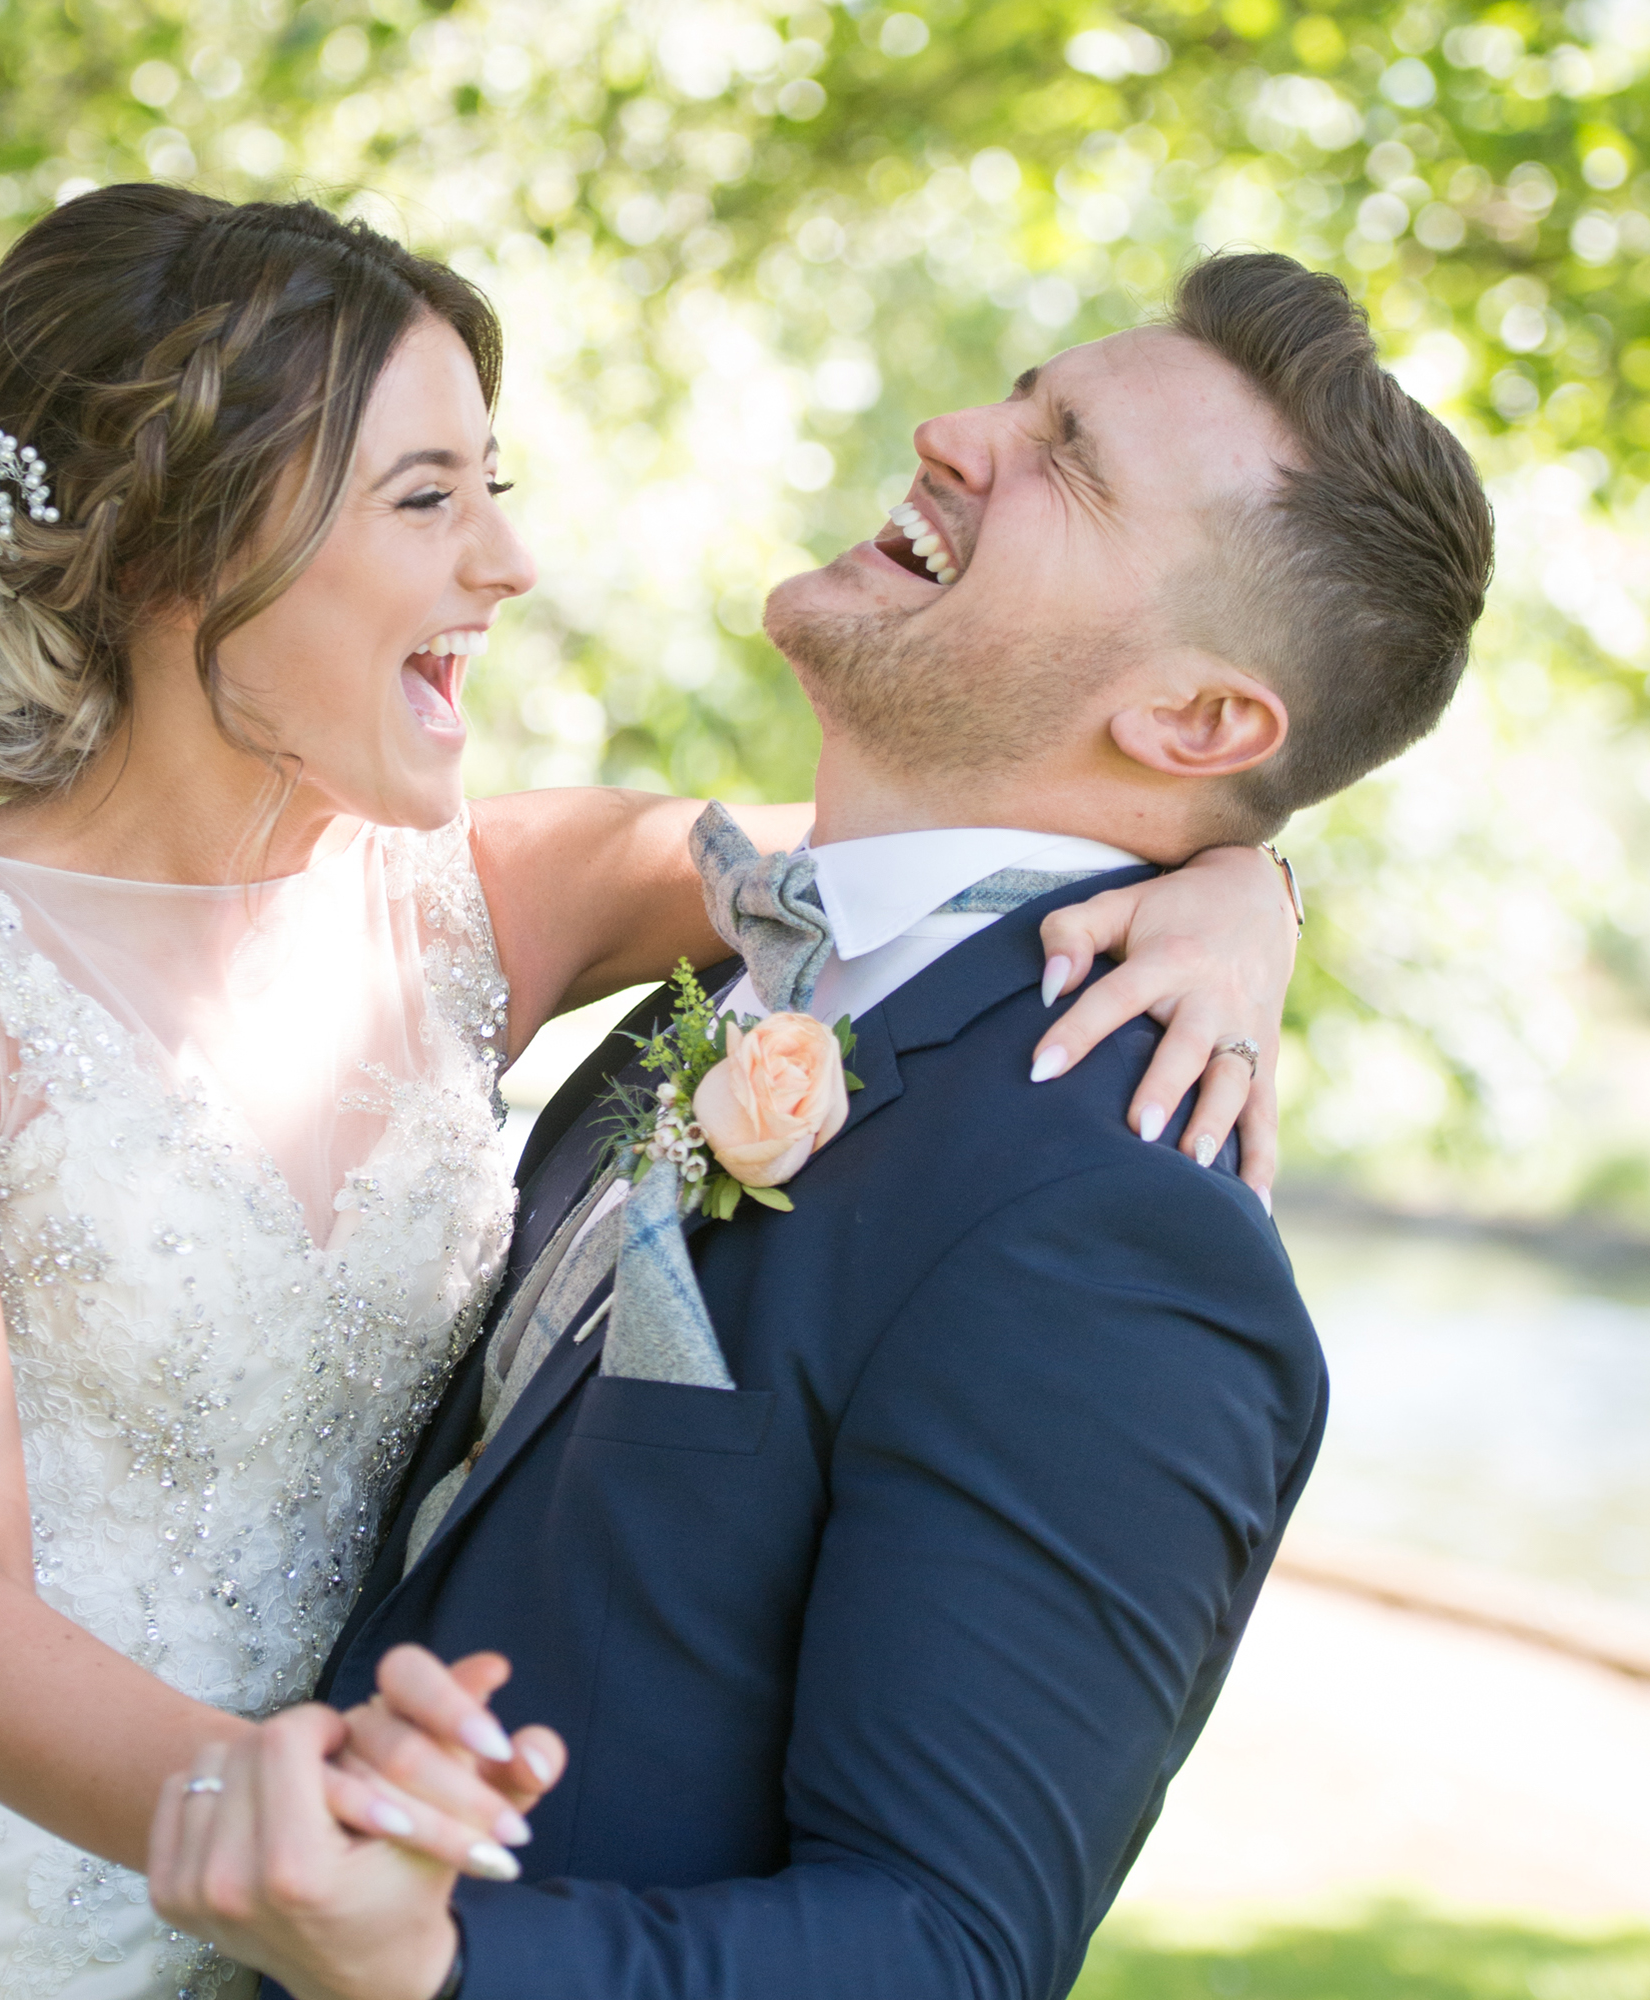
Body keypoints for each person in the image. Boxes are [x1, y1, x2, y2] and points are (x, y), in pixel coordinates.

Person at [0, 189, 1295, 2000]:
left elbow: (965, 843)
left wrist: (1251, 880)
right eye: (428, 499)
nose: (508, 564)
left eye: (493, 488)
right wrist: (319, 1828)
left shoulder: (489, 902)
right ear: (204, 538)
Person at [122, 250, 1489, 1998]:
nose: (949, 431)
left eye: (1064, 457)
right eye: (1016, 389)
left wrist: (433, 1956)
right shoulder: (746, 969)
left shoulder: (1115, 1232)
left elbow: (943, 1945)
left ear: (1199, 721)